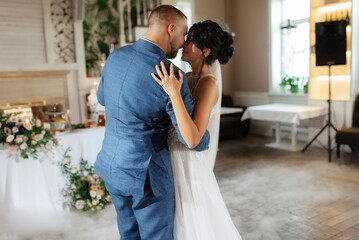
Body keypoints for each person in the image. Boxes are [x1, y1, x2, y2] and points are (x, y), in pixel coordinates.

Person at [94, 5, 210, 240]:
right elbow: (194, 141)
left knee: (128, 235)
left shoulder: (116, 56)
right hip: (146, 178)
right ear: (171, 29)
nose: (182, 42)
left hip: (112, 167)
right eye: (183, 33)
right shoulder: (169, 73)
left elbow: (102, 99)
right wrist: (205, 135)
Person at [152, 20, 242, 239]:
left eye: (190, 41)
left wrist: (174, 93)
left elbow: (193, 138)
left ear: (205, 51)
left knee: (192, 223)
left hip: (187, 164)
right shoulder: (185, 77)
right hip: (168, 161)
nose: (183, 44)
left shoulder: (209, 84)